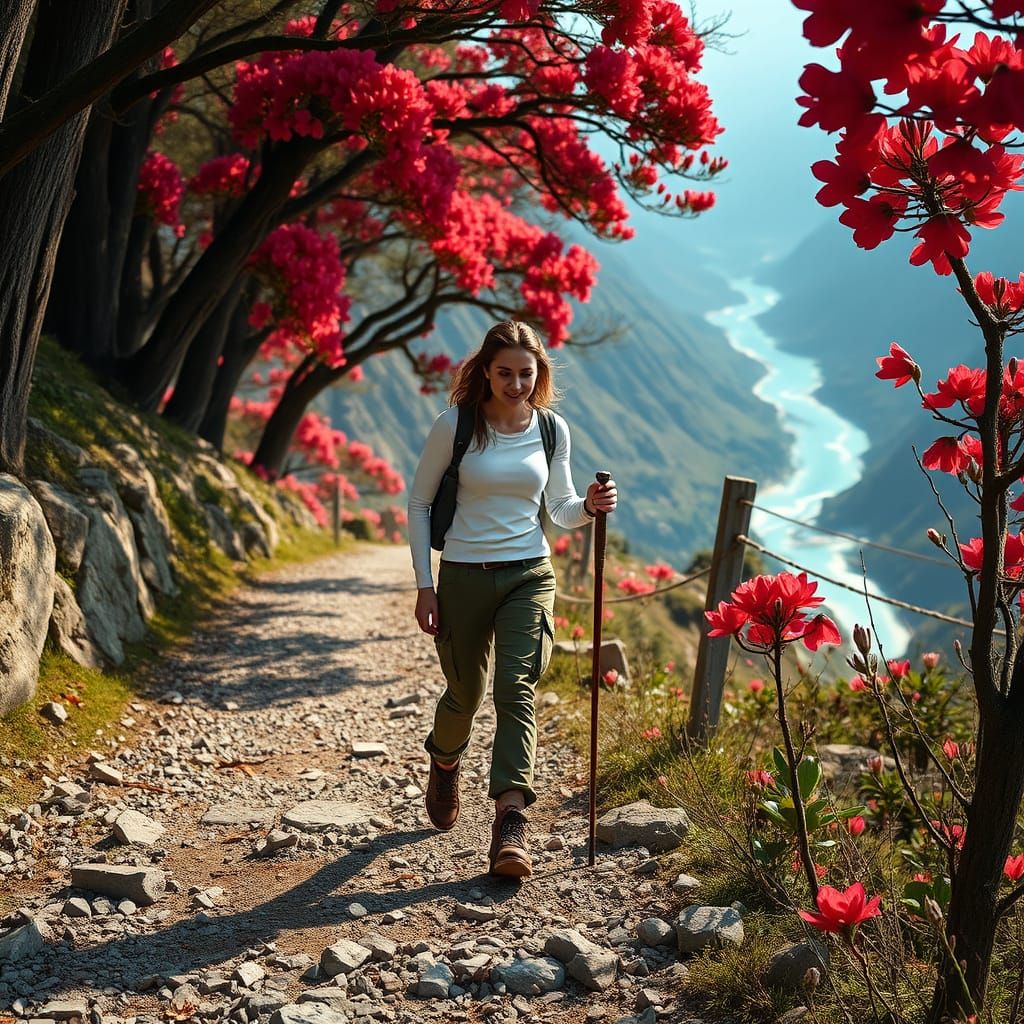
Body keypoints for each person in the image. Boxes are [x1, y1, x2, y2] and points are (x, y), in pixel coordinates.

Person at [407, 320, 617, 878]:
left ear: (539, 373)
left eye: (527, 373)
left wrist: (591, 506)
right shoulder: (454, 426)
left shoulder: (551, 430)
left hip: (529, 573)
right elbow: (419, 505)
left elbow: (561, 509)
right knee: (465, 692)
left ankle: (510, 821)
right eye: (505, 373)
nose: (516, 383)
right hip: (462, 575)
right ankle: (445, 760)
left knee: (514, 688)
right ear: (486, 371)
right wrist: (424, 585)